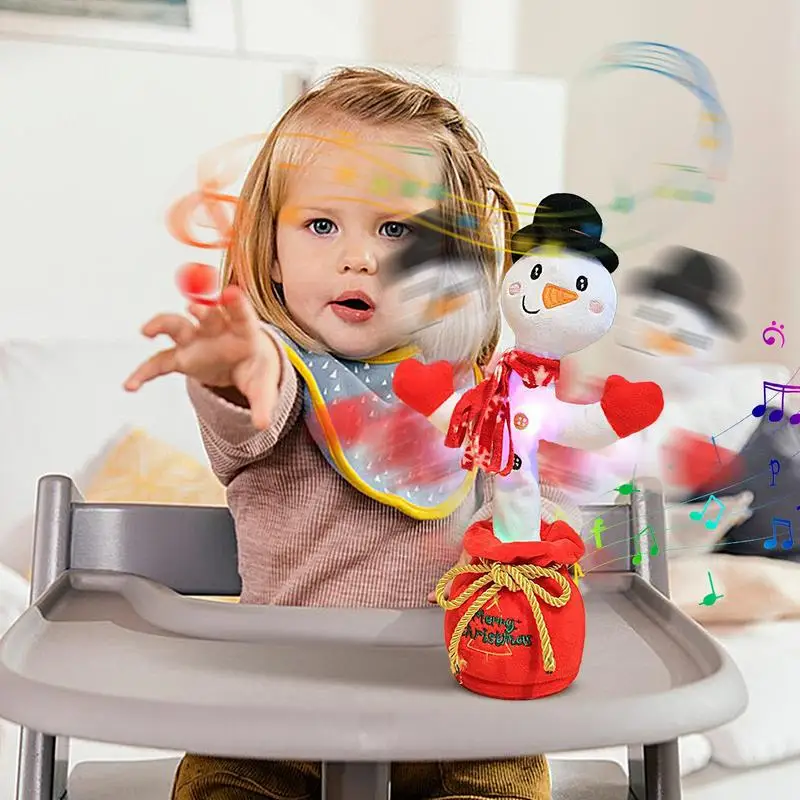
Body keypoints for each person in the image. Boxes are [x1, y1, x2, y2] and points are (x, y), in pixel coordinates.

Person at [125, 66, 552, 800]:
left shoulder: (474, 393)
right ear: (273, 246)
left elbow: (530, 517)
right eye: (322, 224)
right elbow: (253, 409)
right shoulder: (279, 375)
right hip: (272, 722)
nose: (360, 256)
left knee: (513, 777)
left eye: (396, 229)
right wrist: (236, 367)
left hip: (457, 717)